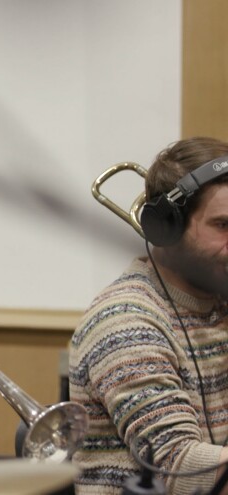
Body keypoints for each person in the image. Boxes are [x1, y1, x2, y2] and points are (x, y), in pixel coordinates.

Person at [69, 137, 228, 494]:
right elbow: (181, 469)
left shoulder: (219, 300)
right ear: (167, 228)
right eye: (222, 226)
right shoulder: (123, 322)